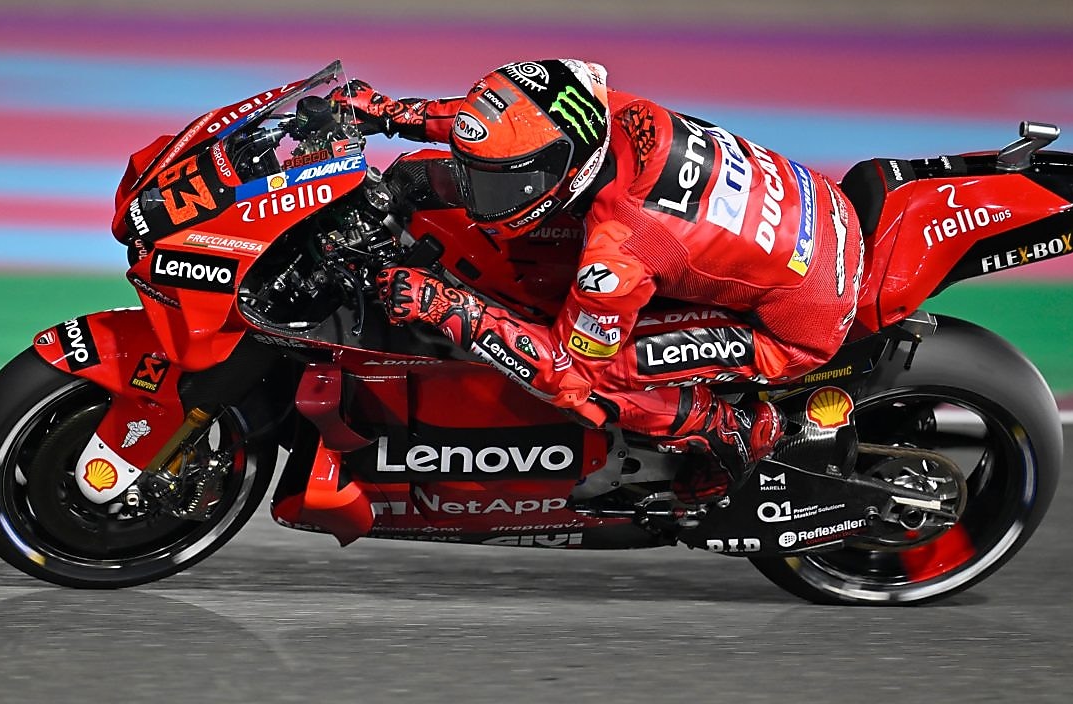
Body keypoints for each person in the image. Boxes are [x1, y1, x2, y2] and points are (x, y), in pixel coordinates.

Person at [331, 59, 862, 502]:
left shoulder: (618, 252)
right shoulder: (612, 113)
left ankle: (734, 430)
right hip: (818, 208)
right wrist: (388, 113)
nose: (477, 196)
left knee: (597, 383)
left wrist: (452, 309)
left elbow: (569, 373)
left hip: (792, 323)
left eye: (502, 185)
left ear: (570, 168)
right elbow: (510, 124)